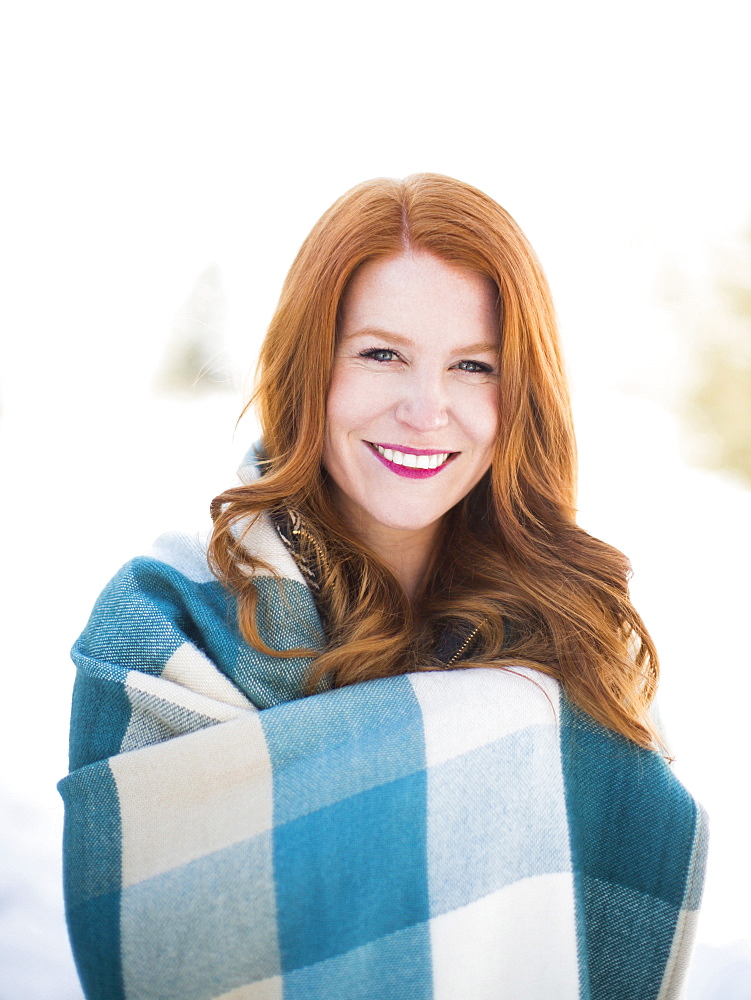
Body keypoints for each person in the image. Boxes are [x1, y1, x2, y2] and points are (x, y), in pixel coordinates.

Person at [60, 174, 707, 1000]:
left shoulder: (575, 631)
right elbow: (158, 941)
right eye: (381, 354)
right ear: (309, 366)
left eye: (473, 366)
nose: (425, 408)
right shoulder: (170, 626)